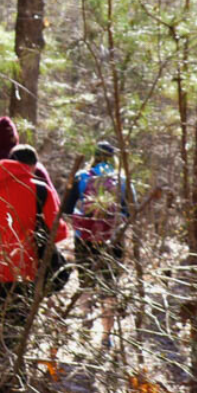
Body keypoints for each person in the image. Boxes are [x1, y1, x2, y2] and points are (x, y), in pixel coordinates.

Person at [0, 144, 68, 358]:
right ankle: (12, 382)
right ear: (32, 167)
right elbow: (58, 233)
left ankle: (0, 375)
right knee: (19, 336)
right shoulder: (40, 190)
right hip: (25, 272)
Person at [60, 141, 134, 349]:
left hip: (84, 237)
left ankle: (85, 325)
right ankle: (106, 336)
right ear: (113, 159)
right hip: (113, 239)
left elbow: (65, 208)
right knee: (110, 287)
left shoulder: (81, 177)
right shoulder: (122, 180)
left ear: (93, 157)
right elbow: (130, 211)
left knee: (86, 282)